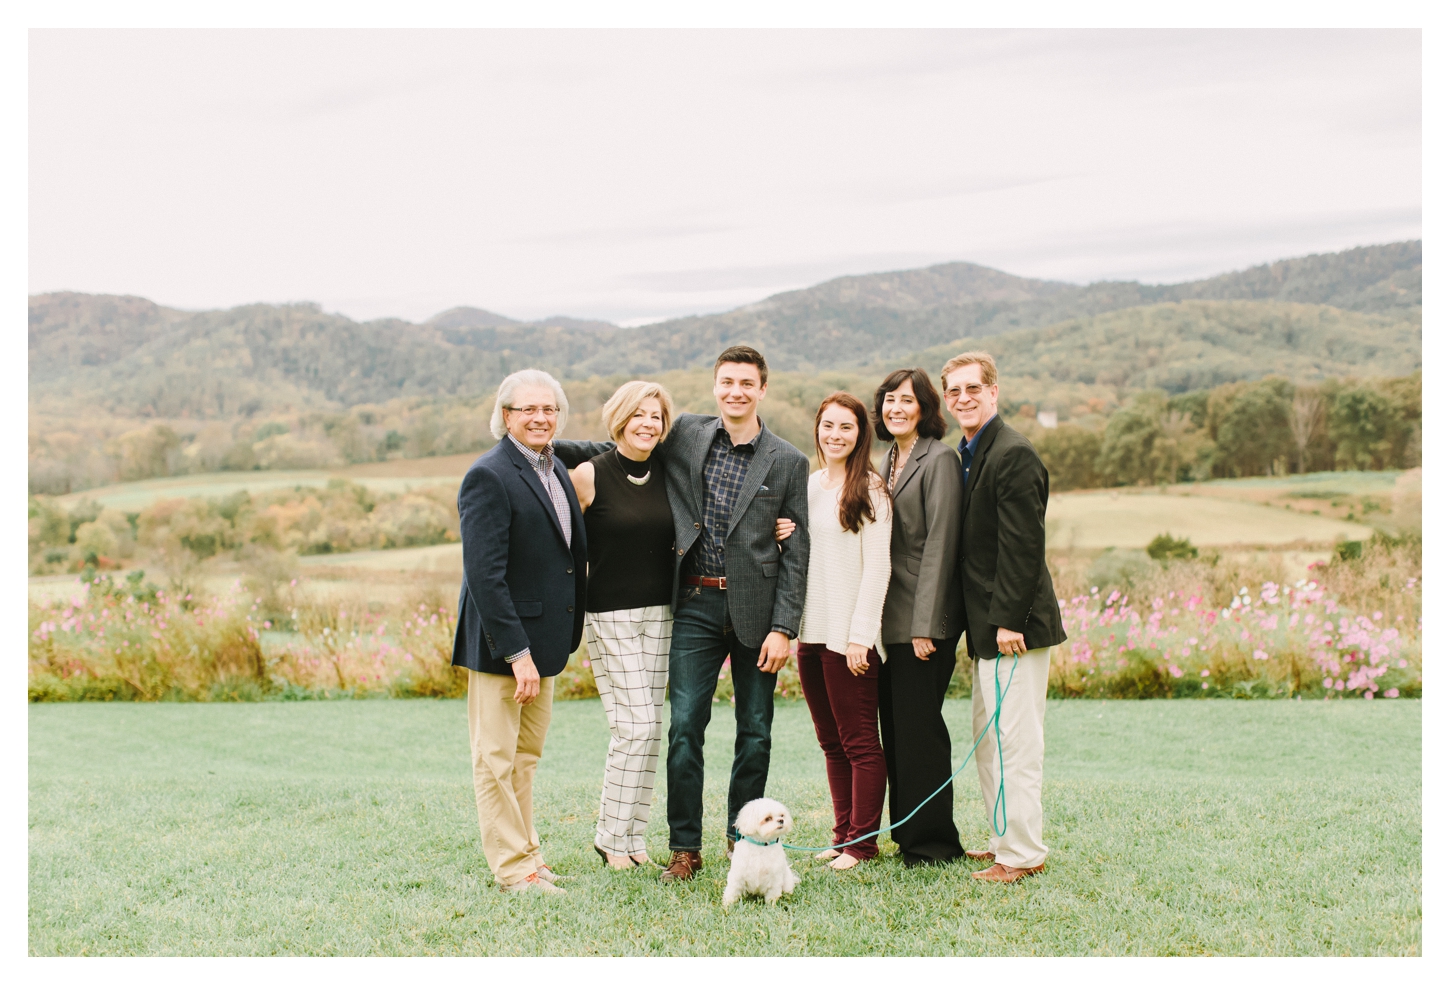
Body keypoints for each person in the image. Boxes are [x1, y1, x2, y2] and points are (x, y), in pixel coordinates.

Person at [553, 346, 810, 884]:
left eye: (746, 383)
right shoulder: (687, 435)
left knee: (756, 731)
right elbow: (620, 442)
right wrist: (537, 446)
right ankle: (684, 848)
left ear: (762, 389)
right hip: (692, 604)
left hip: (757, 613)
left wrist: (785, 628)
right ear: (715, 386)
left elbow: (799, 551)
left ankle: (744, 839)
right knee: (684, 727)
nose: (735, 391)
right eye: (726, 382)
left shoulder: (787, 461)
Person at [451, 368, 588, 895]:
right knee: (495, 760)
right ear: (505, 416)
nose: (540, 417)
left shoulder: (553, 466)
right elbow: (484, 576)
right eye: (528, 409)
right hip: (504, 649)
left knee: (525, 759)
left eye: (549, 409)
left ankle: (530, 855)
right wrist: (517, 653)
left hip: (545, 645)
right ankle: (513, 870)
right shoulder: (489, 475)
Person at [942, 351, 1067, 884]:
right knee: (988, 737)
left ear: (994, 392)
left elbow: (1024, 547)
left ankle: (1024, 853)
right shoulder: (968, 451)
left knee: (1016, 742)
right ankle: (1002, 842)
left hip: (1014, 629)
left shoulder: (1014, 453)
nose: (963, 399)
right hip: (987, 630)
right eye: (954, 391)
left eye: (973, 389)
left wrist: (1010, 620)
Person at [568, 381, 677, 871]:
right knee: (633, 727)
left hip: (662, 614)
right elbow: (559, 542)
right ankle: (611, 837)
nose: (648, 424)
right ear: (619, 418)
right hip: (608, 614)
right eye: (638, 415)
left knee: (651, 730)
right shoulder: (589, 476)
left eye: (655, 416)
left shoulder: (671, 472)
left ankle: (634, 841)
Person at [873, 367, 967, 868]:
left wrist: (926, 624)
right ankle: (908, 836)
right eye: (890, 400)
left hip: (922, 624)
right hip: (886, 622)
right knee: (897, 733)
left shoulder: (940, 460)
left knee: (920, 734)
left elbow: (941, 545)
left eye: (907, 401)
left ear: (926, 408)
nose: (896, 409)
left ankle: (933, 845)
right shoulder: (885, 459)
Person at [795, 392, 892, 871]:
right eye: (828, 425)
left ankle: (864, 843)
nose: (835, 435)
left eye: (846, 428)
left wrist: (861, 636)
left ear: (860, 435)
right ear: (817, 428)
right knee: (830, 742)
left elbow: (878, 568)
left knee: (859, 743)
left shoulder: (870, 489)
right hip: (810, 632)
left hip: (849, 637)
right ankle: (842, 835)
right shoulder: (811, 485)